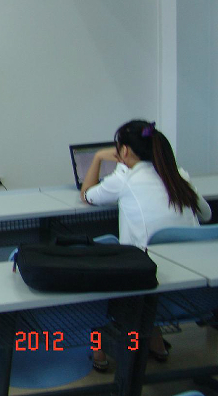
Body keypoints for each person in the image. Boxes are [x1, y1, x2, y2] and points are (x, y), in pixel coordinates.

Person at [80, 119, 211, 370]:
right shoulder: (178, 175)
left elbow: (87, 195)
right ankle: (156, 341)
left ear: (124, 151)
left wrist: (97, 157)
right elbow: (206, 215)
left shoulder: (125, 179)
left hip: (149, 286)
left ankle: (99, 351)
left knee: (104, 261)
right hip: (196, 292)